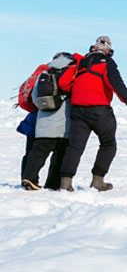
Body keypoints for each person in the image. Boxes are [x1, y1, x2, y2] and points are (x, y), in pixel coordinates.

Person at [57, 36, 127, 192]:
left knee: (75, 147)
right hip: (99, 110)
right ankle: (98, 181)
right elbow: (115, 82)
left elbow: (64, 83)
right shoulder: (106, 63)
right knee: (108, 144)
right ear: (108, 51)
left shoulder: (80, 63)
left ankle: (65, 184)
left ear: (92, 48)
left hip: (78, 110)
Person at [21, 52, 77, 190]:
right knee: (59, 156)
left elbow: (35, 99)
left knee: (38, 154)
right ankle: (53, 184)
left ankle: (29, 178)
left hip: (44, 124)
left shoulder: (43, 74)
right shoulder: (70, 75)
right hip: (63, 125)